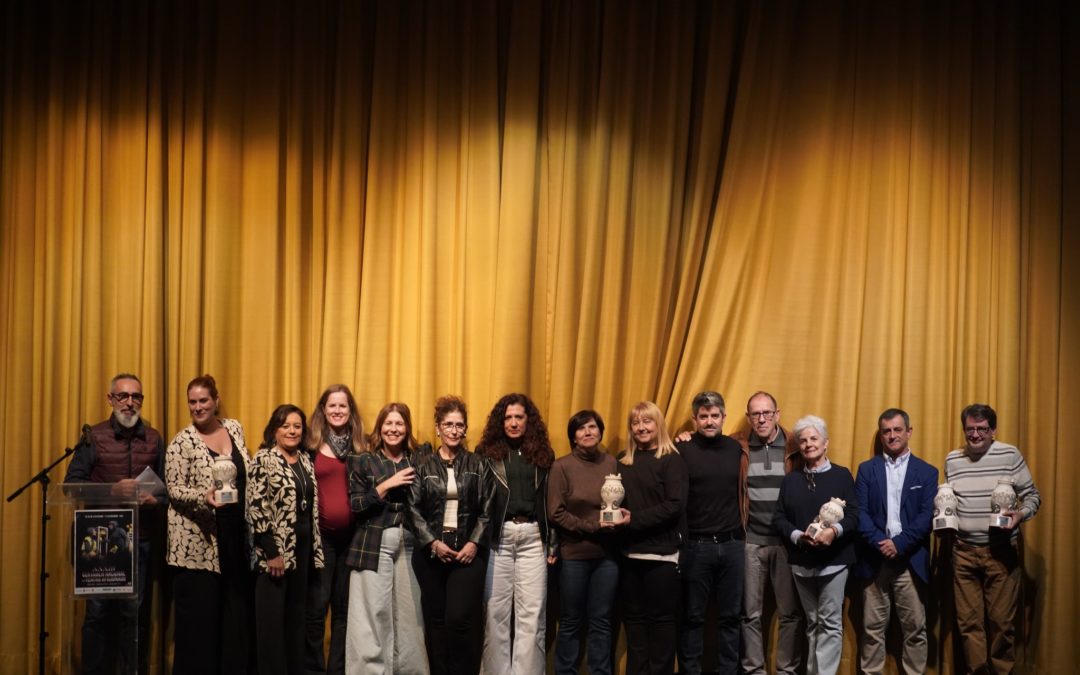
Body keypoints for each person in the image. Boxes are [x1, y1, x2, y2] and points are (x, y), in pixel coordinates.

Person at [64, 372, 165, 675]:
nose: (130, 403)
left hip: (140, 541)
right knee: (97, 614)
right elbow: (71, 486)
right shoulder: (92, 437)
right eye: (123, 396)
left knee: (133, 616)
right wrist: (112, 491)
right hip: (99, 541)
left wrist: (156, 500)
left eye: (136, 397)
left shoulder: (155, 438)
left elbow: (165, 489)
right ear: (110, 399)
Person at [165, 374, 255, 674]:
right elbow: (174, 489)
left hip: (234, 539)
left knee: (233, 621)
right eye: (192, 402)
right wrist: (203, 497)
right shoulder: (182, 442)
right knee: (199, 629)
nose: (198, 407)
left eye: (204, 400)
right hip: (197, 548)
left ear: (216, 400)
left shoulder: (234, 428)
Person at [945, 403, 1041, 674]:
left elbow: (1033, 496)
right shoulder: (952, 459)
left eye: (982, 429)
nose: (975, 435)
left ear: (993, 430)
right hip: (962, 552)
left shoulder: (1010, 454)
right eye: (970, 429)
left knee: (1001, 624)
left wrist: (1020, 515)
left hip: (1000, 552)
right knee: (968, 624)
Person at [408, 395, 493, 675]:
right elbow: (413, 509)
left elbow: (487, 509)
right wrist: (432, 543)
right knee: (437, 621)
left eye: (459, 425)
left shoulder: (479, 465)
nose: (454, 430)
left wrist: (473, 543)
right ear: (438, 428)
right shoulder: (423, 465)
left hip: (467, 554)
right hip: (432, 554)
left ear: (465, 429)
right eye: (448, 424)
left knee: (460, 619)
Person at [344, 402, 427, 674]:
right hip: (373, 544)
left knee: (409, 617)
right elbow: (356, 506)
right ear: (380, 427)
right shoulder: (362, 460)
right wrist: (385, 486)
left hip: (409, 545)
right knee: (372, 614)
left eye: (399, 424)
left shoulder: (417, 460)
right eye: (388, 423)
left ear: (407, 428)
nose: (393, 429)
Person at [477, 393, 556, 675]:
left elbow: (551, 502)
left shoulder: (544, 455)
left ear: (528, 421)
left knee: (532, 616)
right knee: (495, 615)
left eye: (518, 417)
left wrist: (552, 545)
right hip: (498, 538)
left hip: (534, 538)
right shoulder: (485, 453)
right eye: (508, 417)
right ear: (500, 422)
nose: (512, 423)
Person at [854, 408, 937, 674]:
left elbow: (927, 517)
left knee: (914, 630)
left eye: (897, 430)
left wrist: (899, 544)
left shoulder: (927, 472)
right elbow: (860, 513)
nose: (892, 436)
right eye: (886, 431)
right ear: (881, 435)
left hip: (910, 560)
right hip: (875, 559)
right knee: (872, 630)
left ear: (908, 432)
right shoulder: (867, 470)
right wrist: (882, 543)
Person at [773, 415, 857, 675]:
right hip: (802, 562)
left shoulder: (842, 475)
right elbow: (779, 517)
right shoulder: (791, 480)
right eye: (803, 440)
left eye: (814, 438)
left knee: (830, 623)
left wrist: (834, 531)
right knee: (812, 623)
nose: (809, 444)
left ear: (825, 443)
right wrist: (798, 535)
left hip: (835, 562)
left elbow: (855, 514)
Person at [247, 404, 325, 675]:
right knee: (271, 627)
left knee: (295, 623)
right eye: (285, 426)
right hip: (275, 555)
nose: (292, 431)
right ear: (274, 430)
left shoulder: (304, 459)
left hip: (302, 552)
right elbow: (256, 507)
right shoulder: (263, 459)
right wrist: (271, 551)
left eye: (297, 426)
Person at [547, 410, 626, 675]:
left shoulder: (614, 464)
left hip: (607, 557)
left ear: (600, 431)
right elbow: (555, 512)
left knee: (602, 622)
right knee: (570, 621)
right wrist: (593, 527)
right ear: (574, 437)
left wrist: (624, 517)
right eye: (581, 429)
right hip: (574, 556)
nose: (588, 432)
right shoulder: (561, 466)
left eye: (592, 427)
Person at [673, 391, 747, 675]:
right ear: (695, 419)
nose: (709, 421)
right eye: (703, 416)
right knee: (693, 617)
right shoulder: (683, 449)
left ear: (724, 417)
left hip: (732, 546)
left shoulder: (736, 448)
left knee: (730, 617)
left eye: (714, 416)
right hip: (696, 546)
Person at [735, 392, 804, 675]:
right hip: (750, 542)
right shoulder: (737, 445)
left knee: (790, 614)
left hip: (786, 543)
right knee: (750, 615)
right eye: (755, 414)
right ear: (749, 416)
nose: (761, 419)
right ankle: (754, 670)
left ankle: (786, 670)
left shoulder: (796, 445)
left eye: (767, 413)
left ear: (777, 414)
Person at [617, 401, 687, 675]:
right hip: (630, 555)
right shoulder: (623, 460)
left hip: (662, 557)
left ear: (659, 426)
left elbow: (674, 505)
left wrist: (633, 520)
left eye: (647, 422)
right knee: (634, 623)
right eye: (636, 423)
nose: (641, 427)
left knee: (661, 624)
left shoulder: (672, 459)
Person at [306, 384, 366, 675]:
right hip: (322, 541)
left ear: (350, 411)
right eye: (332, 406)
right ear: (323, 410)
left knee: (344, 612)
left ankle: (337, 670)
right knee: (317, 611)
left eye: (343, 406)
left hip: (353, 540)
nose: (338, 411)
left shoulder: (361, 447)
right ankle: (314, 670)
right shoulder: (310, 445)